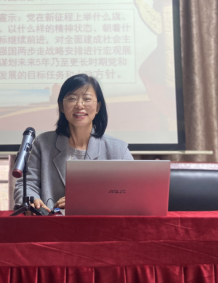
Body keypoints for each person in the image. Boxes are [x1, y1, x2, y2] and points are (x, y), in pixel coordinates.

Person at [13, 73, 133, 212]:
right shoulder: (43, 143)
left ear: (98, 107)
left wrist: (85, 200)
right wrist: (32, 201)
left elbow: (131, 193)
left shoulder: (118, 149)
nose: (79, 105)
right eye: (72, 98)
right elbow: (26, 185)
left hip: (102, 224)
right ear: (62, 106)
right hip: (51, 223)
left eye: (87, 99)